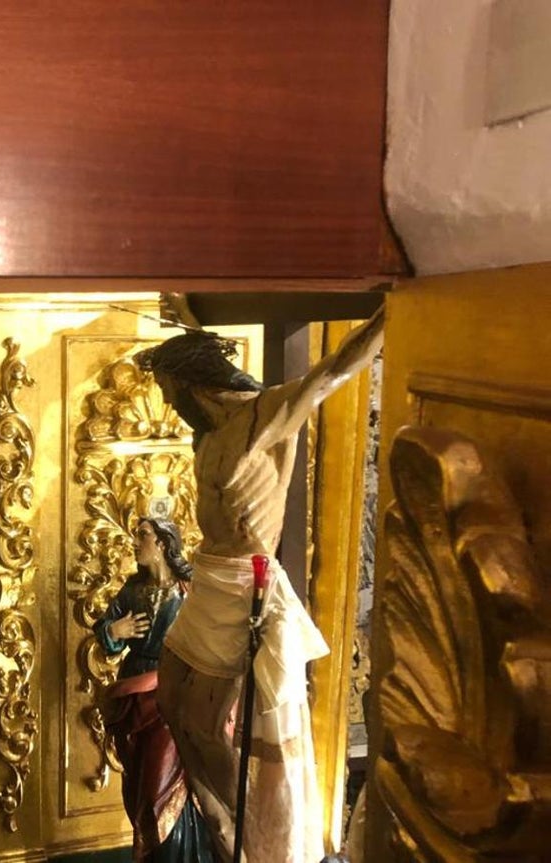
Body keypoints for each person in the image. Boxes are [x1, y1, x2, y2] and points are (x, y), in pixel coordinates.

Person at [135, 308, 384, 863]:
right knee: (173, 703)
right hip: (208, 578)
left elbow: (335, 370)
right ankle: (215, 815)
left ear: (189, 384)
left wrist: (389, 316)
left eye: (168, 390)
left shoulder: (266, 415)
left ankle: (243, 832)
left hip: (242, 586)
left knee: (206, 722)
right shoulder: (208, 435)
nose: (167, 403)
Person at [93, 518, 212, 863]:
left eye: (143, 536)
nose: (135, 542)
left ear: (162, 543)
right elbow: (108, 640)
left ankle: (173, 855)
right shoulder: (132, 591)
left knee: (159, 787)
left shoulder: (188, 590)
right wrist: (115, 630)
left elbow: (209, 639)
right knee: (137, 786)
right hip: (134, 697)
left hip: (172, 695)